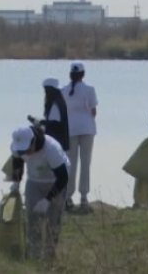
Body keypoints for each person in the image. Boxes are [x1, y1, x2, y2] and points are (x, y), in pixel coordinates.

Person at [9, 125, 70, 262]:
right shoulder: (18, 148)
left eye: (27, 149)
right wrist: (16, 182)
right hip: (34, 182)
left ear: (34, 140)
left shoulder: (51, 149)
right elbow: (17, 163)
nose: (26, 153)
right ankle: (33, 258)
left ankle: (49, 259)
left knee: (52, 223)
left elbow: (63, 177)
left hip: (55, 182)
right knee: (32, 220)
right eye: (21, 150)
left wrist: (48, 200)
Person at [61, 62, 98, 213]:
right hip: (87, 127)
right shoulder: (89, 90)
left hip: (70, 128)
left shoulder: (63, 90)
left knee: (71, 163)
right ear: (83, 74)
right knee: (85, 163)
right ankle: (83, 197)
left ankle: (68, 196)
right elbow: (93, 110)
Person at [28, 78, 70, 151]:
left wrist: (40, 122)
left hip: (56, 143)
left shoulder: (55, 105)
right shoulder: (59, 102)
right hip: (60, 143)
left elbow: (55, 124)